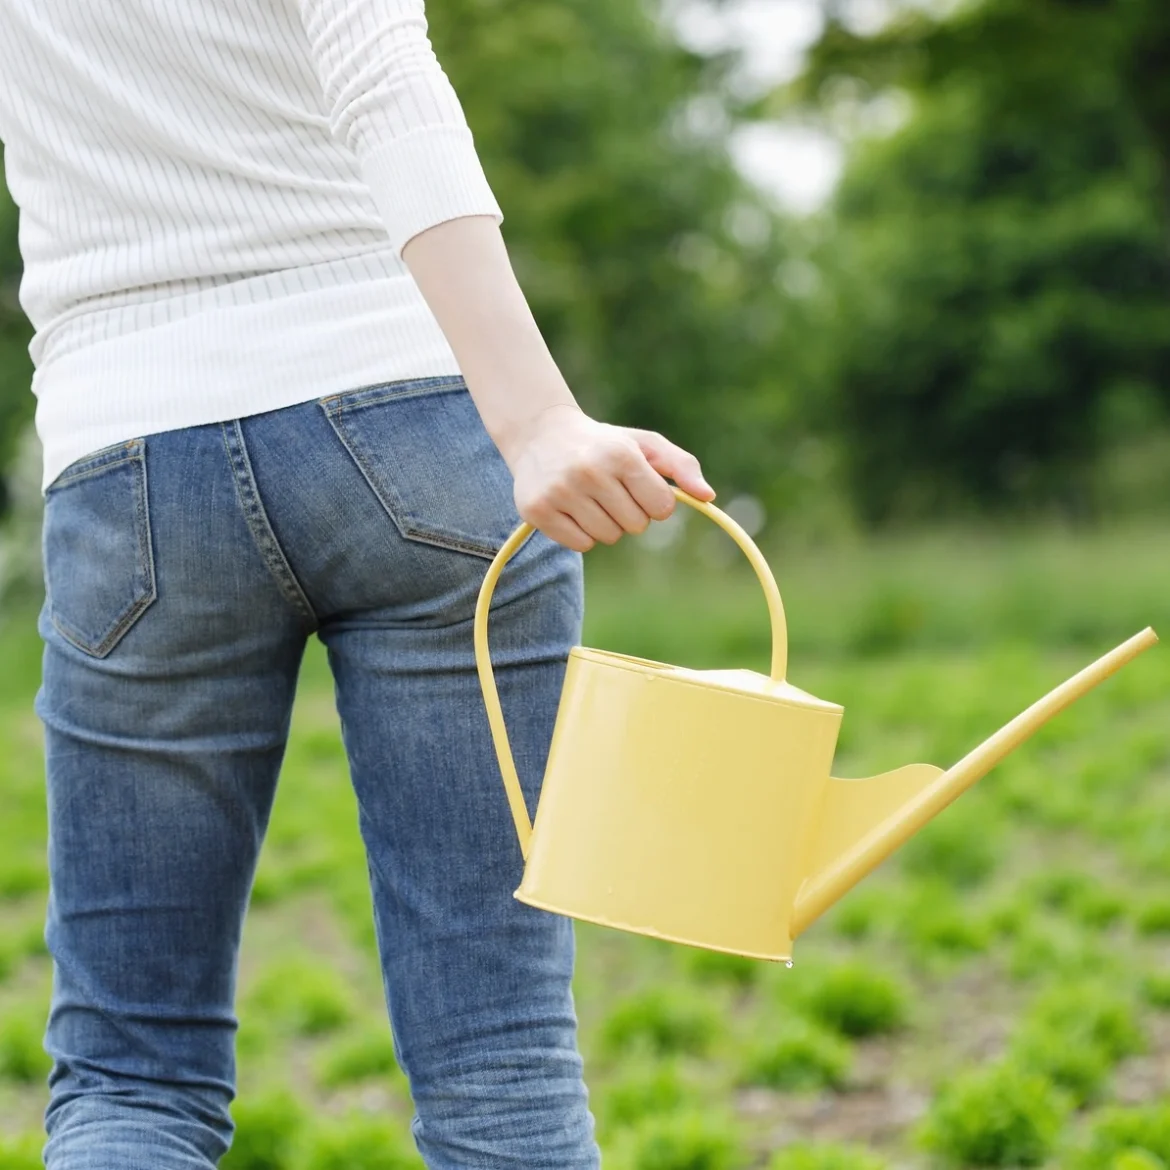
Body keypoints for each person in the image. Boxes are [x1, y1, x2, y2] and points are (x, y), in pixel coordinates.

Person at [0, 1, 714, 1167]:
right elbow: (381, 65)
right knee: (501, 1060)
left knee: (131, 1083)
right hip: (411, 420)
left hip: (125, 459)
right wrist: (533, 418)